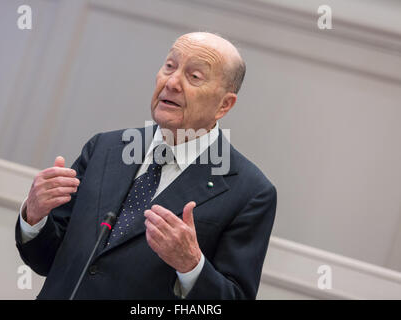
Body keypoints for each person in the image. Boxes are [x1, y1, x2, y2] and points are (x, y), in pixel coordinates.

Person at [15, 32, 277, 299]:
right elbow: (47, 260)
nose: (172, 82)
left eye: (194, 77)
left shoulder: (250, 192)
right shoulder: (104, 149)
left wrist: (191, 266)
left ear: (224, 104)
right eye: (170, 66)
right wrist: (35, 217)